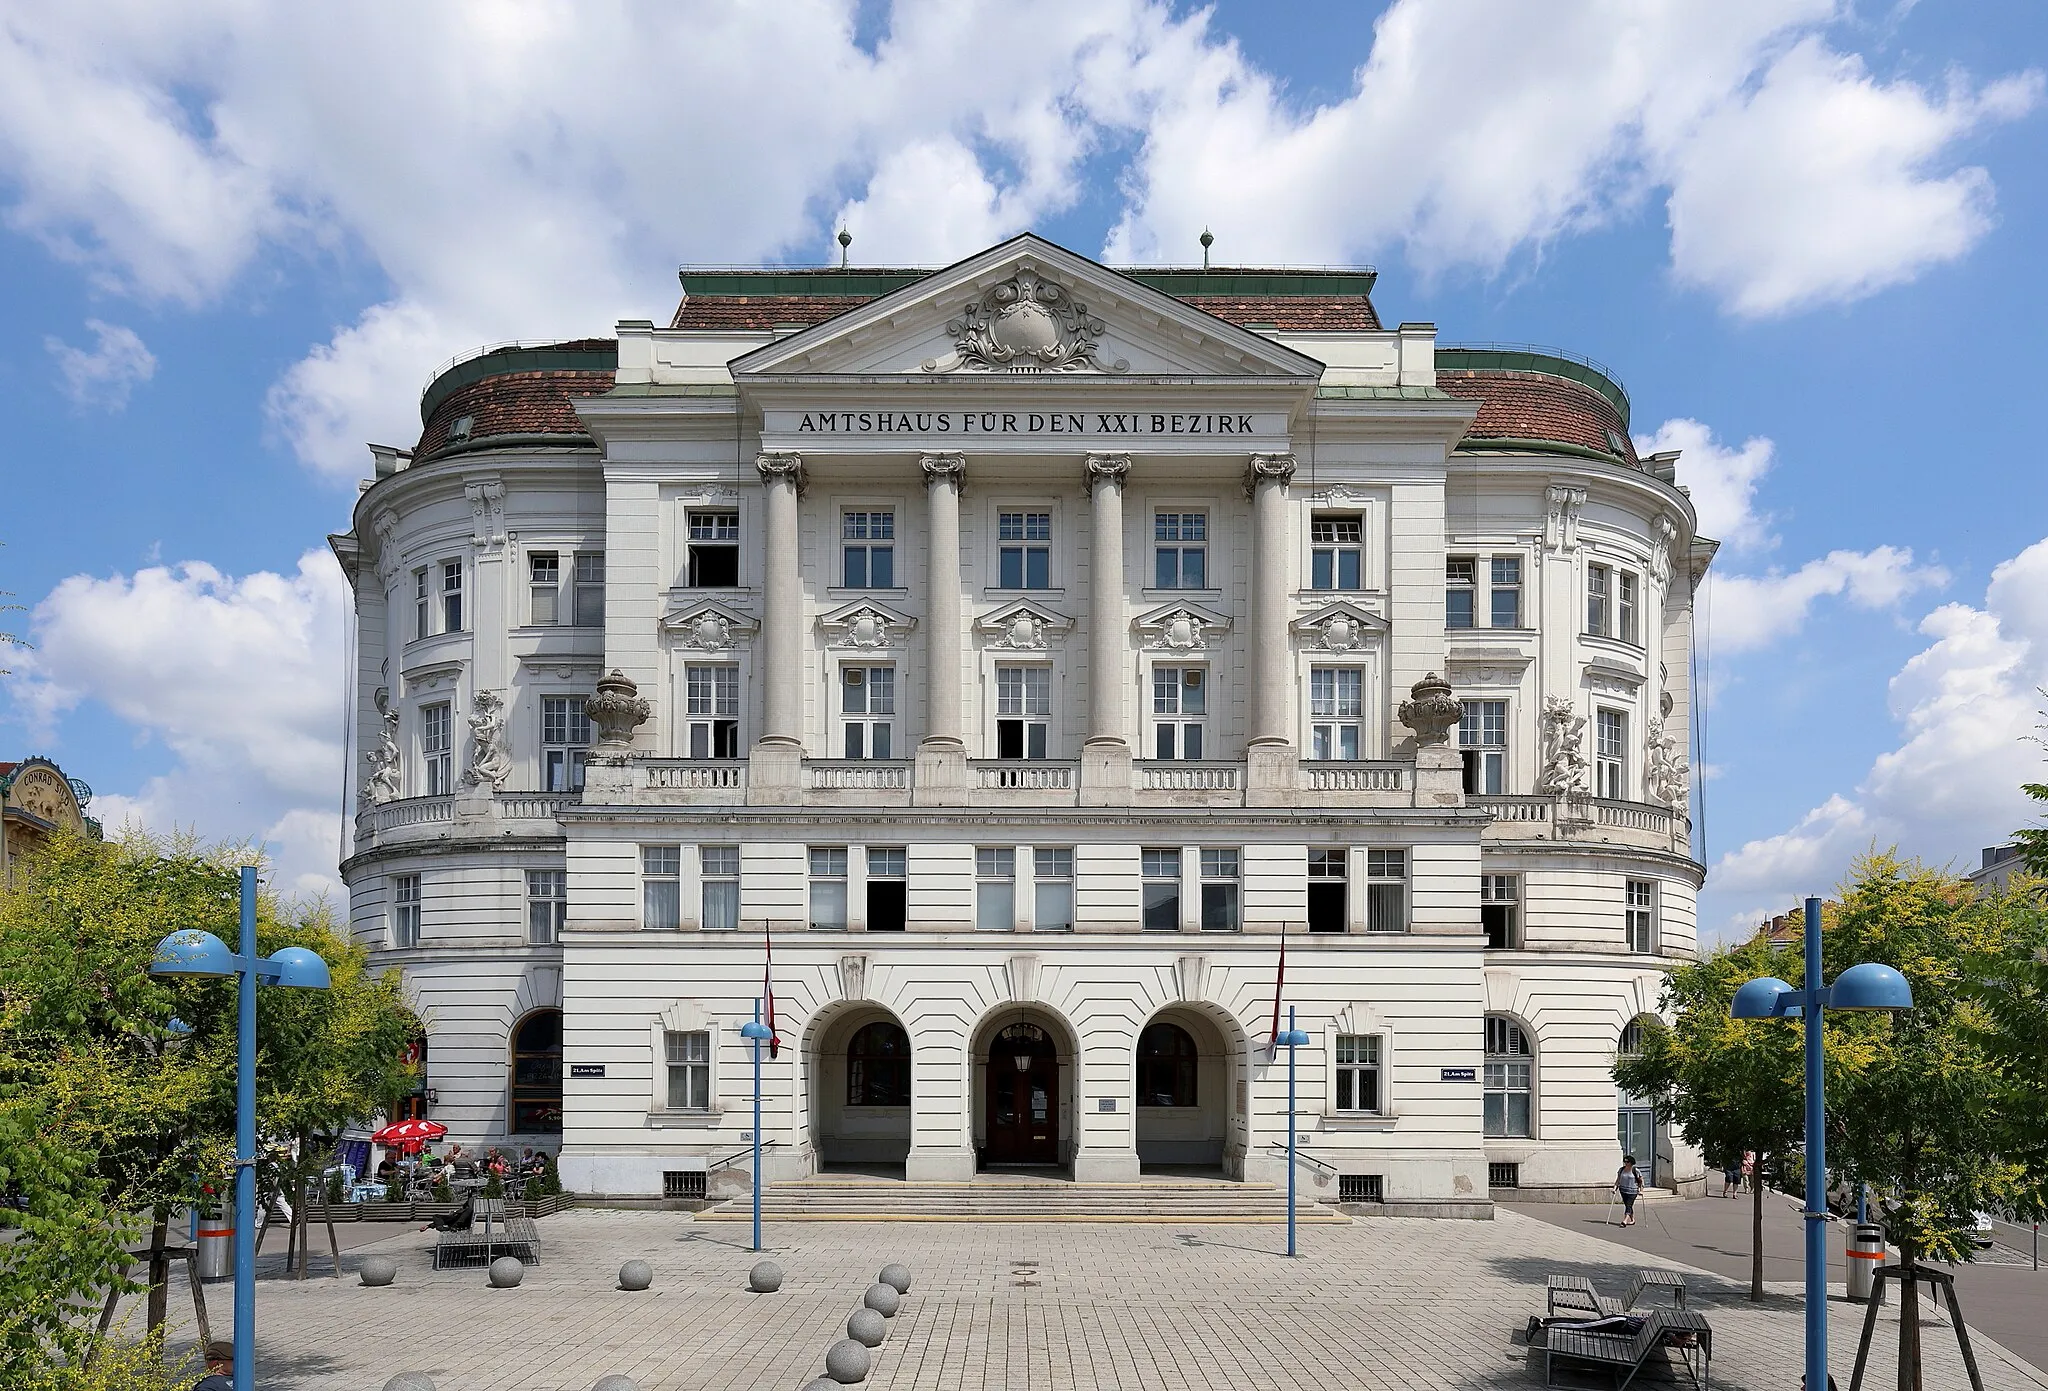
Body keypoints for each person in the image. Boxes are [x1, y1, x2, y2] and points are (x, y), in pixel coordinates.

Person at [1616, 1154, 1643, 1226]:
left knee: (1629, 1205)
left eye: (1627, 1162)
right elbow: (1618, 1179)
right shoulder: (1621, 1170)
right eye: (1625, 1162)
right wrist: (1614, 1188)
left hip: (1633, 1191)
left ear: (1631, 1163)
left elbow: (1640, 1180)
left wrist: (1641, 1190)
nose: (1626, 1163)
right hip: (1623, 1190)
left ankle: (1624, 1221)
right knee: (1628, 1206)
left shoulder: (1635, 1170)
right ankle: (1632, 1220)